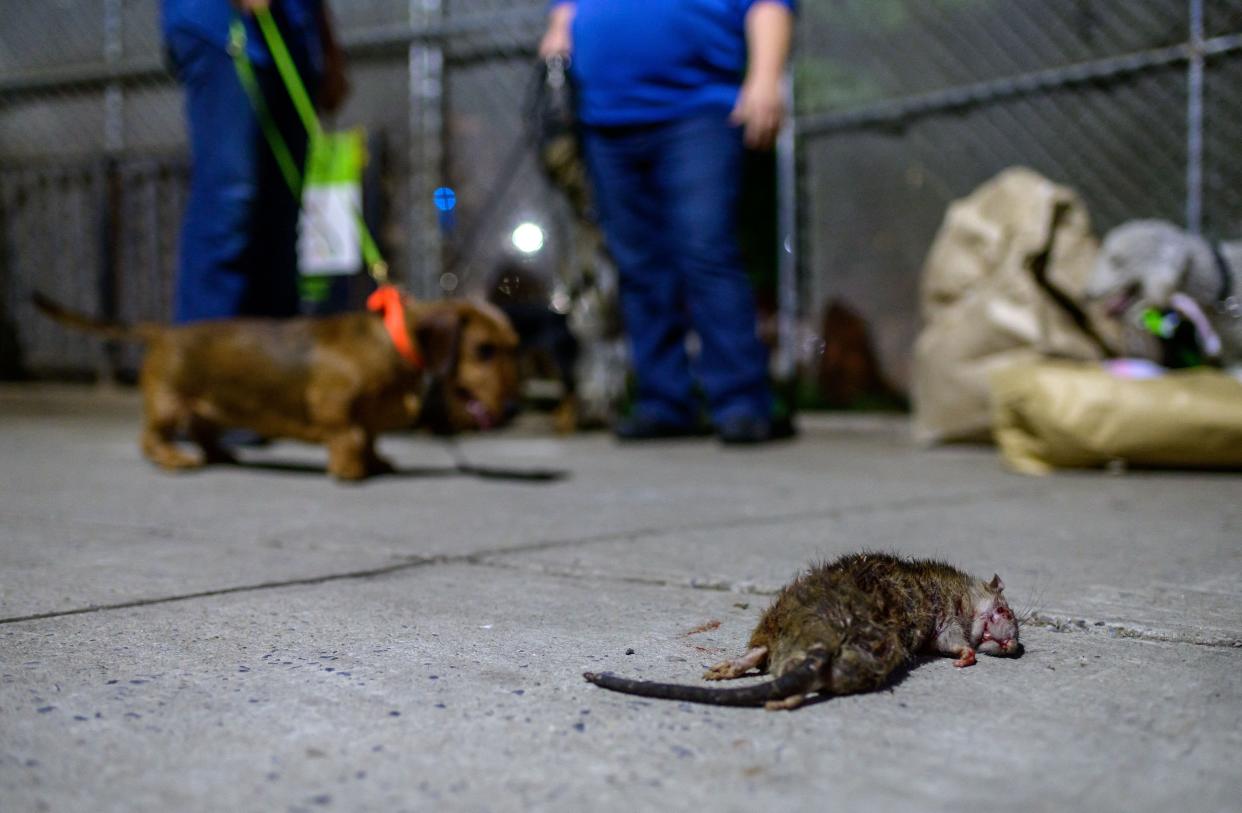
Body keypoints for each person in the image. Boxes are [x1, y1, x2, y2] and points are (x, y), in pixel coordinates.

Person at [540, 0, 796, 444]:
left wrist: (765, 77)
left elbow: (768, 5)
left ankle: (741, 401)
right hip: (605, 117)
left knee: (705, 249)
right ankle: (664, 400)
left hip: (698, 111)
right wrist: (560, 30)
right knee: (637, 262)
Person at [162, 0, 347, 323]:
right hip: (222, 28)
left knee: (282, 212)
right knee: (232, 199)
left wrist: (328, 49)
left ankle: (274, 358)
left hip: (295, 38)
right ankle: (204, 355)